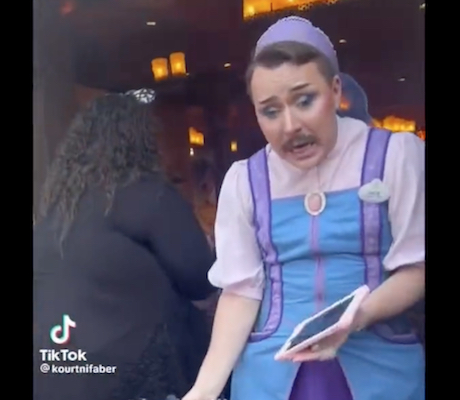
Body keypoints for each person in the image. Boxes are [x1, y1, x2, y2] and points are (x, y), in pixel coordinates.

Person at [182, 16, 425, 400]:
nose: (290, 125)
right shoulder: (245, 180)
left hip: (381, 372)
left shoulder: (395, 155)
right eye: (270, 111)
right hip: (270, 378)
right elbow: (241, 293)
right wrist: (204, 389)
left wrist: (356, 317)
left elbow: (416, 268)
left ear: (335, 90)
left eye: (305, 100)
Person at [33, 90, 217, 400]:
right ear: (141, 142)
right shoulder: (149, 196)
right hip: (131, 376)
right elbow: (201, 279)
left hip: (55, 373)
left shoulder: (54, 213)